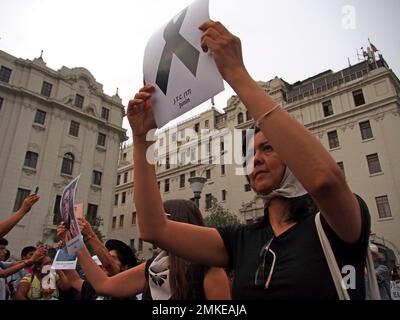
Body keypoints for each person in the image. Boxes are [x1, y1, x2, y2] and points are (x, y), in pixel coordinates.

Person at [127, 20, 370, 300]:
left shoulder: (336, 222)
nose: (255, 159)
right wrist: (142, 136)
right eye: (249, 153)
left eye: (268, 148)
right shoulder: (240, 240)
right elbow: (154, 228)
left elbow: (324, 181)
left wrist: (235, 72)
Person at [67, 200, 231, 300]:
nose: (152, 227)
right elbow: (103, 284)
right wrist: (76, 241)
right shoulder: (151, 268)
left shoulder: (210, 270)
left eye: (160, 220)